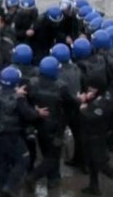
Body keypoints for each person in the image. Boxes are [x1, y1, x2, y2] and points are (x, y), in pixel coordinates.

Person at [26, 56, 83, 191]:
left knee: (47, 152)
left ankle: (53, 177)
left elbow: (26, 101)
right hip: (55, 126)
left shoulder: (32, 83)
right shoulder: (60, 87)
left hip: (39, 123)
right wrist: (80, 99)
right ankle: (38, 177)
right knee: (53, 156)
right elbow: (72, 103)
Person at [0, 66, 48, 197]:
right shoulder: (18, 99)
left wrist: (15, 92)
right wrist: (38, 112)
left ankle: (1, 186)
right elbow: (28, 114)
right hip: (12, 134)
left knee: (2, 160)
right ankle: (10, 186)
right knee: (23, 160)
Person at [79, 78, 113, 195]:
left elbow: (93, 116)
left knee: (101, 163)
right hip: (90, 134)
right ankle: (93, 187)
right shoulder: (98, 97)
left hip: (97, 136)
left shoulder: (103, 101)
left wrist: (83, 109)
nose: (90, 89)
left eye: (93, 88)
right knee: (92, 163)